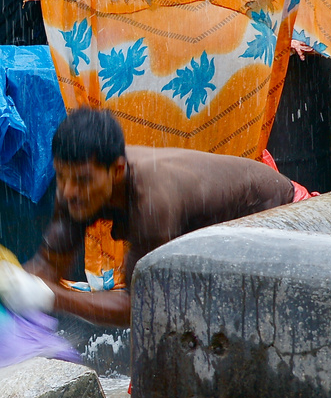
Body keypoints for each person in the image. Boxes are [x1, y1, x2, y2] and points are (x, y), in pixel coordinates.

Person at [24, 108, 296, 329]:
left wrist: (51, 296)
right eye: (61, 177)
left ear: (117, 170)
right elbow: (48, 266)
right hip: (214, 238)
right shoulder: (74, 191)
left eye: (82, 180)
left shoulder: (152, 204)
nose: (69, 191)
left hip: (281, 216)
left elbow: (137, 309)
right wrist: (2, 282)